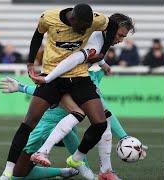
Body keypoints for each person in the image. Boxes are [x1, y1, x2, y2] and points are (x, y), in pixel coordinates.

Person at [2, 3, 119, 180]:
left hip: (79, 78)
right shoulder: (48, 17)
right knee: (28, 123)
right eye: (80, 28)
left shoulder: (96, 19)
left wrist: (102, 54)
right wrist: (30, 62)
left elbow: (113, 25)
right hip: (52, 77)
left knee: (100, 123)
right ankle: (7, 172)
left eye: (86, 29)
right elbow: (37, 35)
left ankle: (77, 160)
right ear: (72, 19)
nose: (82, 32)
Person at [27, 13, 136, 180]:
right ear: (111, 28)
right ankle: (20, 166)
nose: (121, 39)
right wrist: (47, 79)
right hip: (62, 80)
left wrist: (102, 63)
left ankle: (101, 171)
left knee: (99, 118)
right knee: (22, 164)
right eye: (120, 34)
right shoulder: (94, 41)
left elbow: (92, 55)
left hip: (71, 80)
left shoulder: (101, 38)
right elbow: (75, 58)